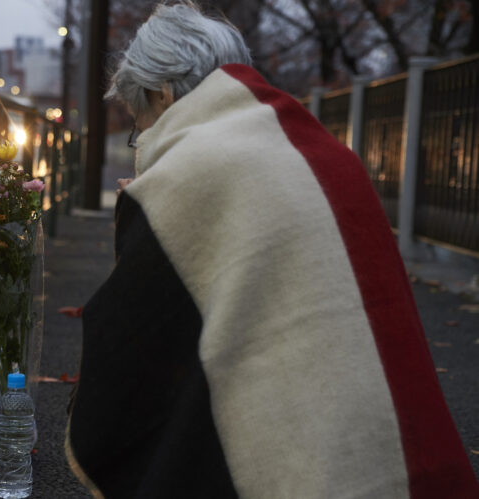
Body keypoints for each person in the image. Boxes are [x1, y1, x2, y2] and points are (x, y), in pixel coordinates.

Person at [64, 1, 479, 498]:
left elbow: (131, 344)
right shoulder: (323, 150)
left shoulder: (191, 172)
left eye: (140, 123)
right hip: (412, 458)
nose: (143, 141)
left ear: (163, 93)